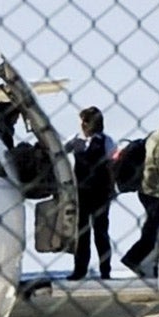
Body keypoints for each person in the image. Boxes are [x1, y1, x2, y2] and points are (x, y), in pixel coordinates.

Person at [122, 109, 159, 277]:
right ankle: (136, 259)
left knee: (150, 228)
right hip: (157, 192)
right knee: (154, 231)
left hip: (146, 189)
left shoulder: (154, 136)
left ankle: (135, 258)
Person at [65, 106, 115, 280]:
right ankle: (80, 269)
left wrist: (111, 188)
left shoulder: (105, 141)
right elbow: (61, 152)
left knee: (101, 232)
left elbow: (111, 166)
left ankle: (105, 269)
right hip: (81, 193)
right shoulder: (75, 141)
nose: (83, 125)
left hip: (100, 192)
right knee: (82, 233)